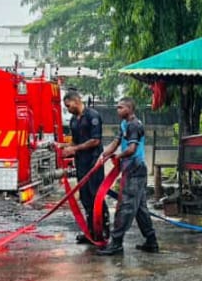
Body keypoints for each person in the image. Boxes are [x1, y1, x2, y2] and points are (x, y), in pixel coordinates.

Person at [95, 96, 158, 256]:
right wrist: (103, 156)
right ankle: (151, 242)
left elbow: (131, 149)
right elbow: (115, 142)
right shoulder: (124, 124)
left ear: (130, 109)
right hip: (131, 169)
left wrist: (118, 156)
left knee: (125, 207)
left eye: (121, 107)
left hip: (135, 169)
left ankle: (116, 244)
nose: (118, 110)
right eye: (117, 107)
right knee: (140, 209)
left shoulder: (134, 125)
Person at [61, 90, 109, 244]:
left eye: (68, 106)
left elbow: (95, 140)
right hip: (81, 163)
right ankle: (91, 231)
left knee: (96, 196)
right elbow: (75, 141)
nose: (68, 109)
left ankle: (104, 230)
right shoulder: (74, 120)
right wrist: (62, 146)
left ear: (75, 101)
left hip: (93, 162)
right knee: (85, 198)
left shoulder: (92, 116)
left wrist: (74, 149)